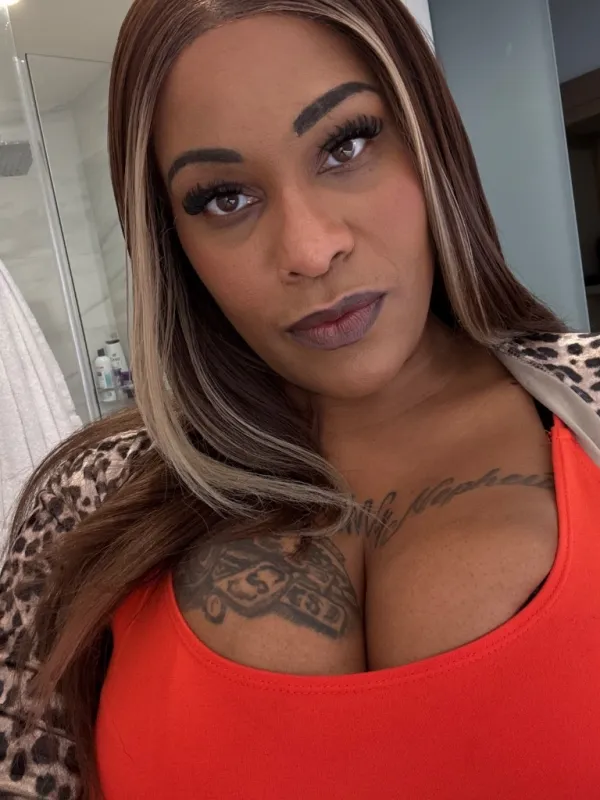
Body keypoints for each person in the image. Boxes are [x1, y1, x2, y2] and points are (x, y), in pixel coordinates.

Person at [1, 0, 599, 797]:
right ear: (171, 241)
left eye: (346, 145)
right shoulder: (84, 505)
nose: (311, 250)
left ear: (427, 139)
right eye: (224, 198)